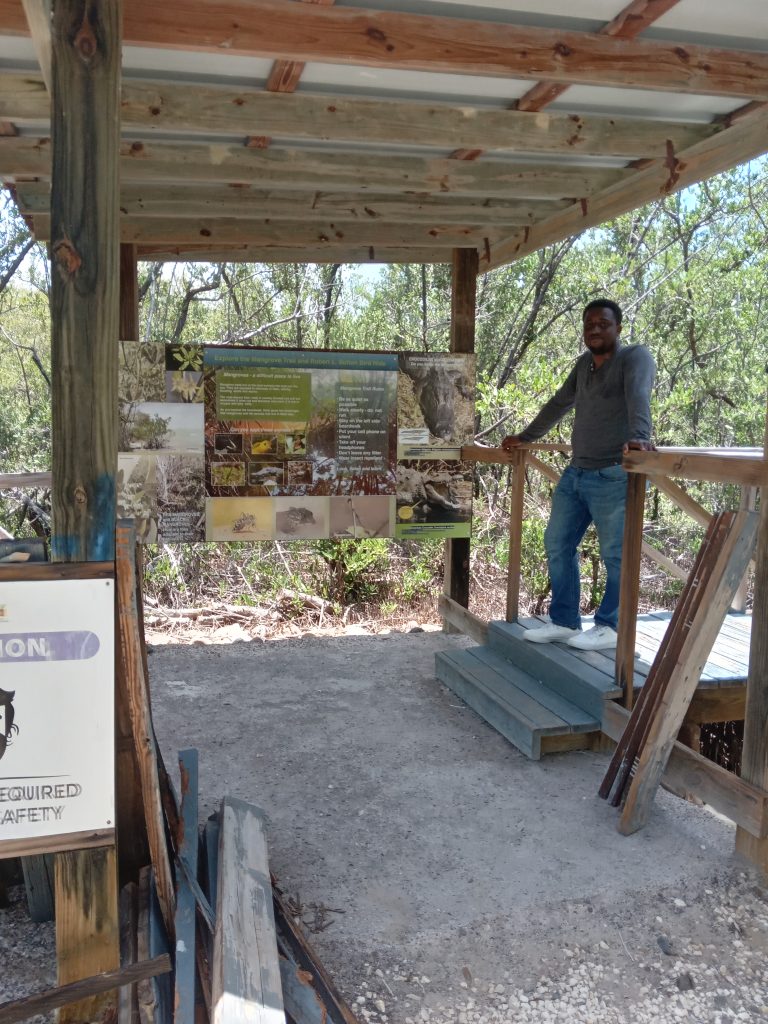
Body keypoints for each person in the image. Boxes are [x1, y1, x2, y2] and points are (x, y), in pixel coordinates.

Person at [501, 299, 656, 651]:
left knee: (615, 554)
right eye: (589, 324)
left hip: (614, 474)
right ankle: (566, 621)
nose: (595, 329)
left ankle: (610, 626)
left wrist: (641, 438)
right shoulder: (584, 364)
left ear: (618, 327)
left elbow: (638, 395)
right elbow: (559, 403)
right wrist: (526, 437)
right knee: (557, 542)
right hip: (576, 473)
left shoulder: (634, 357)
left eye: (603, 323)